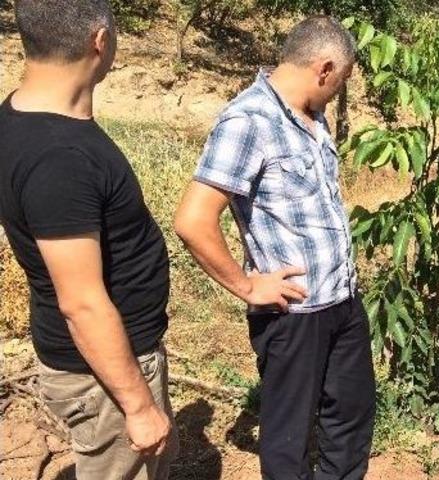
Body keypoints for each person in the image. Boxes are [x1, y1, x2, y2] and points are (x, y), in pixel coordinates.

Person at [173, 16, 375, 480]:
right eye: (341, 82)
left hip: (342, 300)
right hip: (294, 313)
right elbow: (192, 220)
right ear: (325, 69)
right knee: (288, 441)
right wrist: (246, 286)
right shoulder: (249, 121)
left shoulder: (311, 116)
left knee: (351, 415)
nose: (338, 92)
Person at [0, 1, 176, 478]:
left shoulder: (19, 119)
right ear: (100, 41)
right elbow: (81, 302)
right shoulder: (61, 158)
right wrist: (138, 406)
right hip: (105, 379)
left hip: (107, 366)